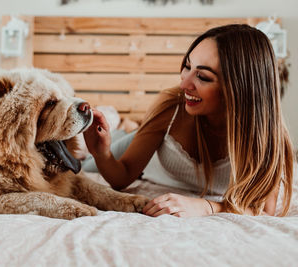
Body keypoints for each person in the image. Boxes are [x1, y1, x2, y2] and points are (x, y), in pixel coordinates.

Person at [83, 24, 295, 217]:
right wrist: (102, 152)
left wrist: (206, 206)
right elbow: (121, 178)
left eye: (202, 77)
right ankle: (125, 128)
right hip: (144, 141)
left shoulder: (267, 135)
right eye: (187, 66)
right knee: (81, 164)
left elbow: (263, 210)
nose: (184, 84)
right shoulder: (171, 106)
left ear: (240, 90)